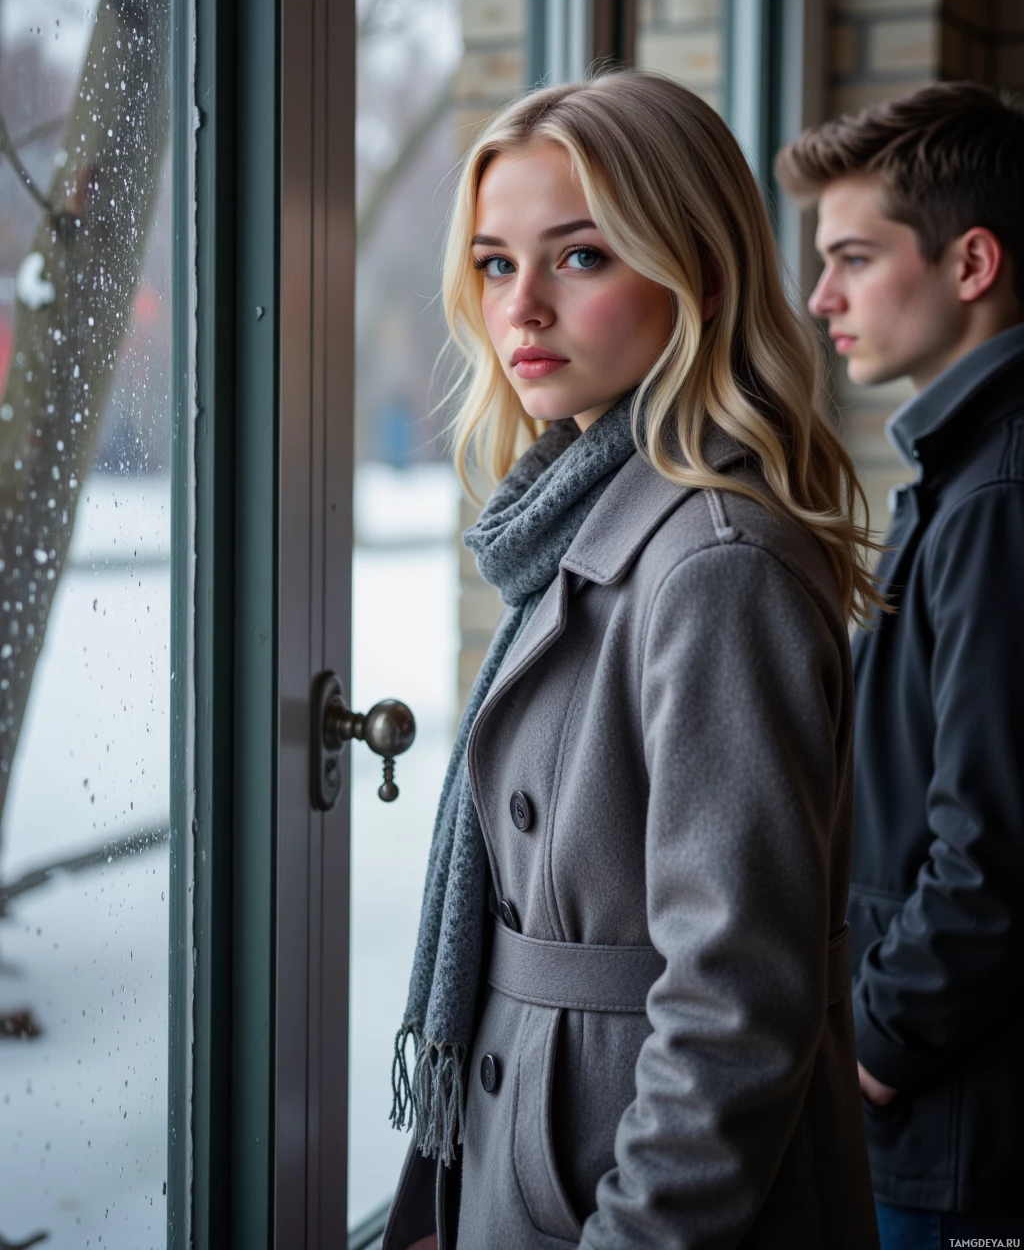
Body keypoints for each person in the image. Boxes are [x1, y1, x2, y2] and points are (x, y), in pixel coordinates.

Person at [382, 69, 880, 1250]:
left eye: (581, 256)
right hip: (540, 1137)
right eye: (497, 264)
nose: (522, 311)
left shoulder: (712, 562)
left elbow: (734, 1009)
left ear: (698, 271)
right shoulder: (583, 516)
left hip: (625, 1180)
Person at [776, 81, 1024, 1249]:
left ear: (970, 263)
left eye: (854, 258)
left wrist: (871, 1043)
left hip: (958, 1130)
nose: (819, 296)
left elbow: (996, 850)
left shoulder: (997, 498)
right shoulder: (969, 468)